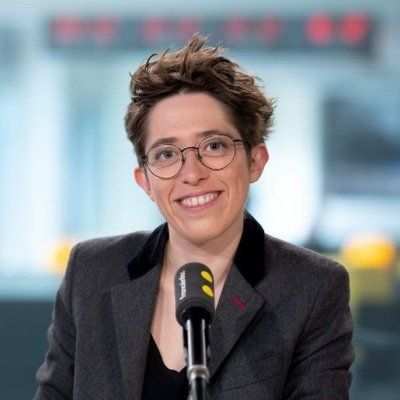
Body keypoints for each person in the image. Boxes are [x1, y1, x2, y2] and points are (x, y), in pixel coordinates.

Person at [35, 35, 354, 399]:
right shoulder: (92, 271)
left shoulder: (311, 288)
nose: (192, 173)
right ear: (145, 181)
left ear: (255, 161)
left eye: (214, 146)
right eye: (166, 154)